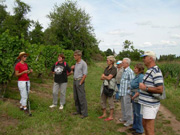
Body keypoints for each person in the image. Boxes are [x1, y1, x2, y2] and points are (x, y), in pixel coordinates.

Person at [139, 51, 164, 135]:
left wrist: (145, 88)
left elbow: (160, 89)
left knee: (149, 128)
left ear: (150, 58)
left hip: (150, 104)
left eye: (144, 57)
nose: (143, 59)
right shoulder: (150, 70)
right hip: (146, 103)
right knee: (144, 125)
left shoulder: (156, 71)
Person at [98, 55, 117, 121]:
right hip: (104, 85)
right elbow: (101, 77)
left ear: (111, 61)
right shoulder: (106, 68)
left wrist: (104, 76)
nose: (106, 61)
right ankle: (104, 114)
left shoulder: (114, 69)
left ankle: (111, 116)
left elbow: (109, 77)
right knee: (103, 99)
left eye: (107, 60)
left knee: (110, 100)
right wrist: (105, 77)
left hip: (110, 87)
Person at [71, 50, 88, 119]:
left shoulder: (83, 63)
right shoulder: (76, 63)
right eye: (74, 55)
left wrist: (81, 82)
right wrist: (73, 69)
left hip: (79, 81)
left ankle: (84, 113)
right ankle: (78, 111)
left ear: (79, 56)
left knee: (81, 97)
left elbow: (85, 74)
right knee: (76, 97)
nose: (74, 56)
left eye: (75, 55)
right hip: (75, 81)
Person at [119, 58, 134, 127]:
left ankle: (129, 120)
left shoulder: (130, 72)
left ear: (127, 64)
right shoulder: (124, 71)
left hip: (127, 93)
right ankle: (124, 118)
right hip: (122, 92)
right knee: (123, 106)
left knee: (128, 107)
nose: (122, 64)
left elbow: (132, 83)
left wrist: (130, 93)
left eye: (123, 63)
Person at [129, 63, 144, 135]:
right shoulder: (136, 76)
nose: (134, 69)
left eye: (135, 68)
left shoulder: (141, 77)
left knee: (138, 113)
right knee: (135, 112)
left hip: (137, 96)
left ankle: (139, 129)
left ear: (139, 69)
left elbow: (141, 88)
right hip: (133, 95)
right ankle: (135, 126)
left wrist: (134, 96)